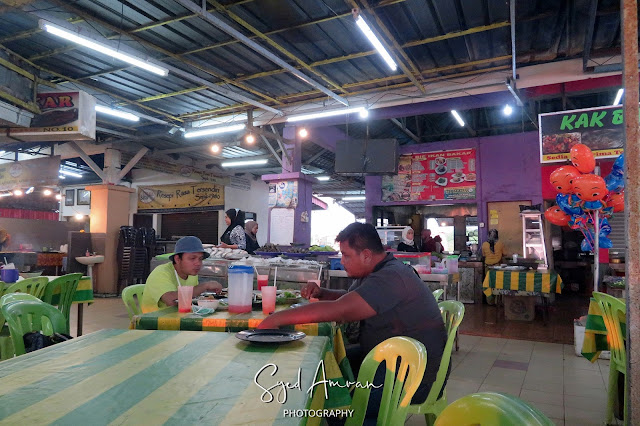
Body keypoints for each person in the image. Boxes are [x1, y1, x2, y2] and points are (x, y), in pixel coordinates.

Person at [258, 223, 447, 421]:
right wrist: (323, 293)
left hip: (415, 378)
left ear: (366, 255)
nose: (342, 261)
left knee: (332, 401)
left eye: (346, 255)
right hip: (393, 361)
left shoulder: (391, 276)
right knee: (326, 363)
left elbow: (341, 310)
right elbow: (352, 299)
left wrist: (276, 318)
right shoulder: (378, 271)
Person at [141, 236, 222, 313]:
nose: (198, 263)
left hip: (179, 317)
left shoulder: (191, 274)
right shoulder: (161, 273)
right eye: (192, 258)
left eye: (200, 259)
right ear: (177, 259)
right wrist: (204, 286)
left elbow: (192, 298)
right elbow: (171, 301)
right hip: (154, 320)